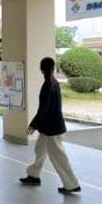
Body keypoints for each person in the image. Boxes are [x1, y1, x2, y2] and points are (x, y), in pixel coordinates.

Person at [20, 57, 81, 195]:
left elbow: (44, 109)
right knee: (40, 151)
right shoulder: (54, 83)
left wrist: (33, 124)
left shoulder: (48, 85)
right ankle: (33, 176)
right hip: (49, 128)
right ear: (53, 69)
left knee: (59, 157)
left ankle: (72, 184)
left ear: (41, 69)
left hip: (52, 129)